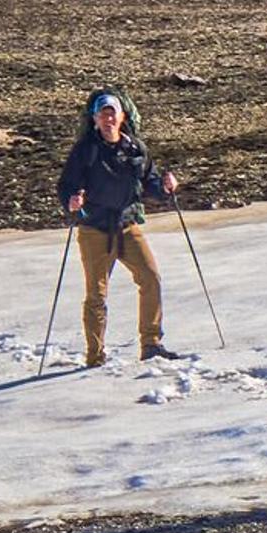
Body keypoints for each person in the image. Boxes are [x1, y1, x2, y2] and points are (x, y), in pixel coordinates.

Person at [58, 89, 186, 369]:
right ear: (94, 119)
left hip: (127, 226)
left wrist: (165, 188)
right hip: (94, 230)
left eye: (112, 112)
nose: (108, 118)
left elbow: (149, 183)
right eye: (102, 114)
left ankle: (151, 345)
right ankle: (95, 357)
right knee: (96, 296)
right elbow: (66, 185)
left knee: (150, 277)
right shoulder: (85, 151)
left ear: (122, 116)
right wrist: (72, 201)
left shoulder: (135, 148)